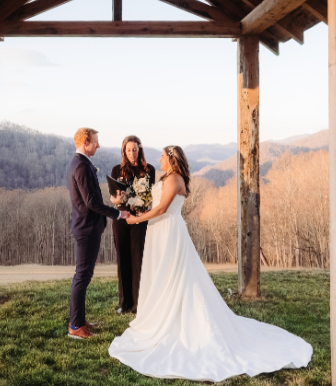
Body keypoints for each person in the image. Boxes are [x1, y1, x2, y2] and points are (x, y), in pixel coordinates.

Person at [108, 146, 312, 381]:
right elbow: (153, 202)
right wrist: (128, 201)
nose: (160, 159)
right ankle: (162, 311)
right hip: (158, 230)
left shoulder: (175, 178)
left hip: (169, 230)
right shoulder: (166, 177)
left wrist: (136, 220)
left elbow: (162, 208)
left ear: (172, 159)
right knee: (160, 275)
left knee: (175, 275)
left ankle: (178, 317)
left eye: (163, 156)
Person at [66, 127, 130, 340]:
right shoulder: (81, 166)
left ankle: (79, 320)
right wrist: (118, 214)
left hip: (86, 226)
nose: (99, 145)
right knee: (82, 276)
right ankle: (75, 327)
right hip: (86, 228)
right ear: (86, 142)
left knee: (83, 276)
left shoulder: (80, 163)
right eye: (95, 141)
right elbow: (91, 202)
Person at [110, 135, 155, 315]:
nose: (132, 153)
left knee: (138, 260)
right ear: (124, 151)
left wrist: (143, 208)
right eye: (128, 150)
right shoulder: (116, 170)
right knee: (123, 260)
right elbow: (113, 198)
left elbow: (151, 197)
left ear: (140, 149)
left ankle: (139, 303)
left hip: (139, 220)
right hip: (121, 218)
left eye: (134, 149)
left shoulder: (148, 169)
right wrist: (117, 199)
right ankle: (124, 303)